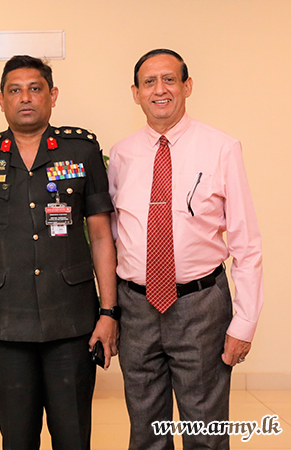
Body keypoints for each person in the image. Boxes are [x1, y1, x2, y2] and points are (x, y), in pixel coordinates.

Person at [0, 55, 118, 449]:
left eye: (35, 89)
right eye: (15, 90)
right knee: (17, 438)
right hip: (6, 323)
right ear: (1, 100)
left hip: (73, 321)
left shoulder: (81, 150)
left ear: (53, 95)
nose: (25, 98)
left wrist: (109, 312)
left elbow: (101, 237)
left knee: (73, 437)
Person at [109, 49, 263, 449]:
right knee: (145, 431)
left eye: (169, 79)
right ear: (135, 93)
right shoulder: (121, 155)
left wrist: (244, 322)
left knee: (204, 431)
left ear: (187, 86)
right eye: (149, 82)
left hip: (200, 307)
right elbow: (112, 237)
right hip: (136, 308)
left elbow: (246, 244)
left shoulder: (222, 148)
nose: (159, 90)